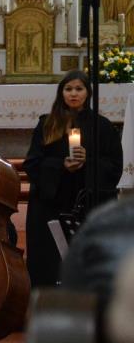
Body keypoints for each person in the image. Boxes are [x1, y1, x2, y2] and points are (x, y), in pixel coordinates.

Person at [22, 71, 123, 287]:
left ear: (88, 93)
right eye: (68, 89)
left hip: (87, 201)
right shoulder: (48, 124)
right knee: (49, 264)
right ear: (61, 93)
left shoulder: (102, 126)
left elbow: (114, 166)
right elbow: (32, 164)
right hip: (52, 202)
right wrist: (61, 166)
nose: (73, 94)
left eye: (79, 89)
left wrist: (88, 162)